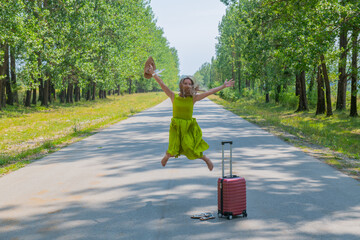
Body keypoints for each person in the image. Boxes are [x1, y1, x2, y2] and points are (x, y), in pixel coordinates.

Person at [147, 65, 235, 171]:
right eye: (185, 83)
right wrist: (153, 73)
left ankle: (206, 159)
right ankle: (166, 156)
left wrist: (223, 86)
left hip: (188, 127)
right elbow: (162, 84)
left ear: (192, 86)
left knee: (190, 147)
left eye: (190, 84)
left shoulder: (193, 98)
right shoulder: (173, 96)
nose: (188, 85)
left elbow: (210, 91)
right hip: (176, 126)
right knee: (173, 149)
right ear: (181, 84)